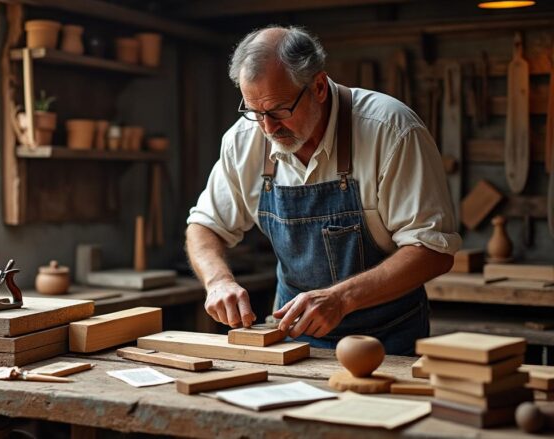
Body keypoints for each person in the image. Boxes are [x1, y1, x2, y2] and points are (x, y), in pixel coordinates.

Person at [185, 26, 461, 355]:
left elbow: (433, 251)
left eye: (278, 110)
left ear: (317, 86)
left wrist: (342, 298)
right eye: (255, 112)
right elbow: (204, 226)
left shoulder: (391, 131)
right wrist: (218, 281)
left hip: (386, 340)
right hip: (292, 337)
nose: (268, 128)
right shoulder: (245, 139)